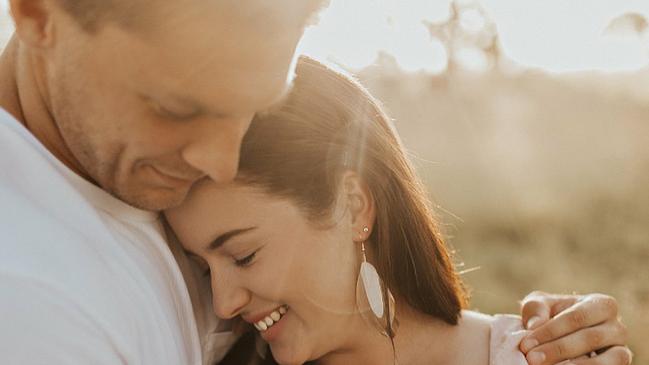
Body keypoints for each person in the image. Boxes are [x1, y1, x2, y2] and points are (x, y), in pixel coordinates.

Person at [0, 0, 630, 364]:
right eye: (178, 108)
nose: (219, 160)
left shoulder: (150, 177)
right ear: (37, 14)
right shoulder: (28, 298)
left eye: (247, 108)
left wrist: (545, 340)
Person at [165, 57, 631, 365]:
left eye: (244, 255)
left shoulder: (536, 355)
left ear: (353, 205)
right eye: (203, 270)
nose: (224, 302)